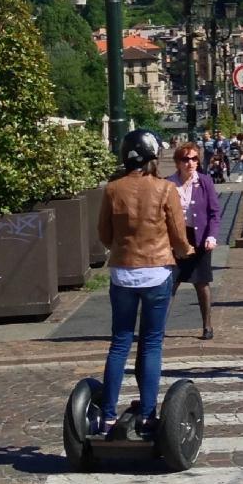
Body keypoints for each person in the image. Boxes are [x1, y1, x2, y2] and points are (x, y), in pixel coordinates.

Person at [95, 131, 192, 435]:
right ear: (152, 156)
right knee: (151, 343)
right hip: (156, 272)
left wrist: (123, 247)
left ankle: (107, 415)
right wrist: (185, 250)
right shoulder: (165, 189)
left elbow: (104, 234)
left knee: (120, 342)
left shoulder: (113, 189)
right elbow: (178, 234)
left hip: (123, 273)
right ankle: (148, 415)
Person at [170, 141, 222, 340]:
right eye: (185, 159)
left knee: (201, 282)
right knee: (171, 283)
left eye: (194, 159)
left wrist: (212, 235)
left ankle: (207, 325)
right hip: (177, 239)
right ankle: (157, 328)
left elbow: (214, 212)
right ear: (178, 162)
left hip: (199, 238)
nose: (190, 163)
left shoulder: (204, 181)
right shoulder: (168, 183)